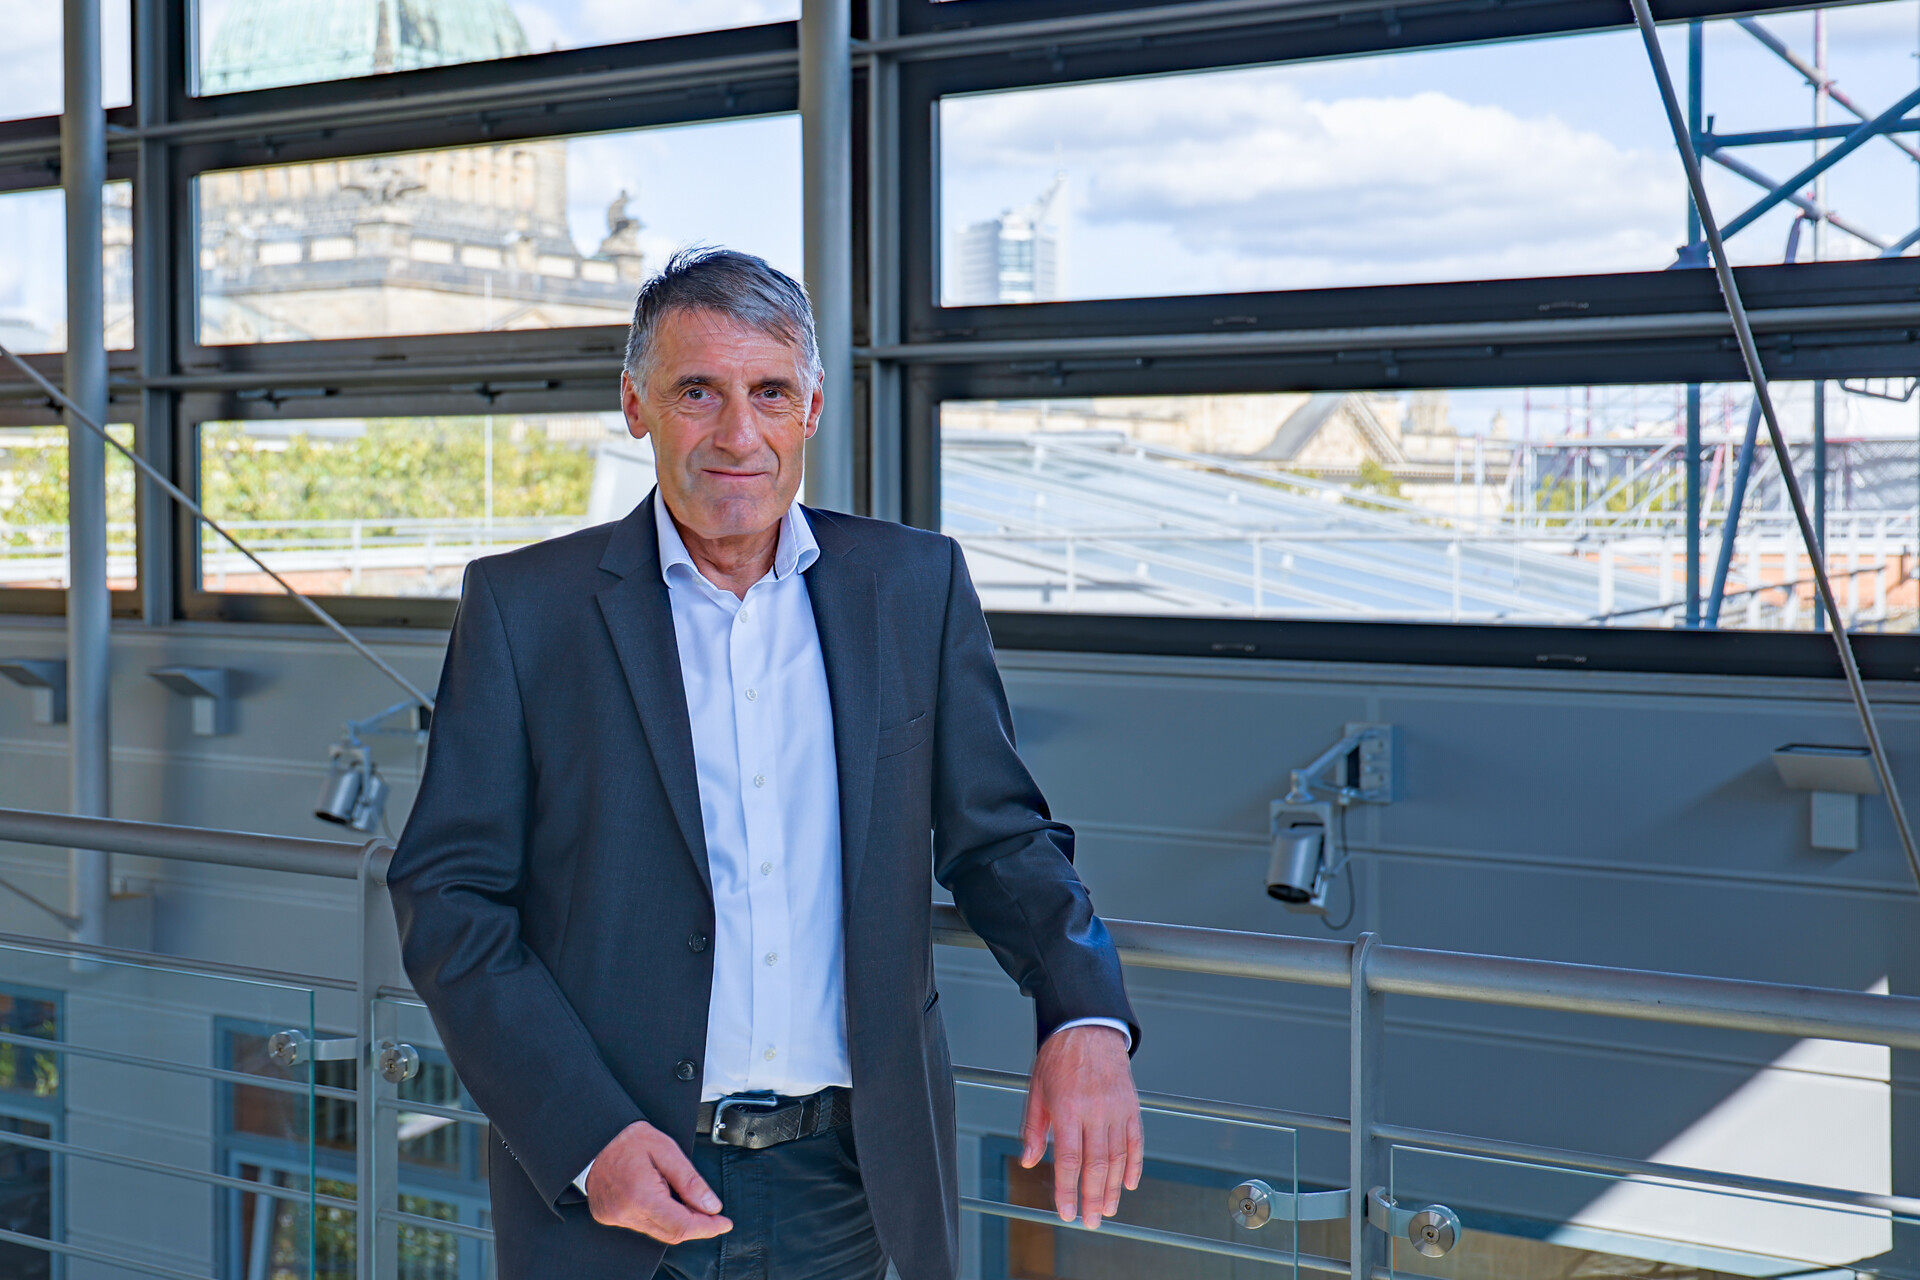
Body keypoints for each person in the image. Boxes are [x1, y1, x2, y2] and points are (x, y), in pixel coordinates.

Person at [387, 247, 1142, 1280]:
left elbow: (1000, 836)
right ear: (637, 405)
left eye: (771, 393)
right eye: (698, 391)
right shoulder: (525, 610)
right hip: (617, 1183)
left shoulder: (913, 586)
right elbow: (448, 896)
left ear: (812, 407)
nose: (738, 434)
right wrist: (587, 1135)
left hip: (849, 1181)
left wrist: (1083, 1012)